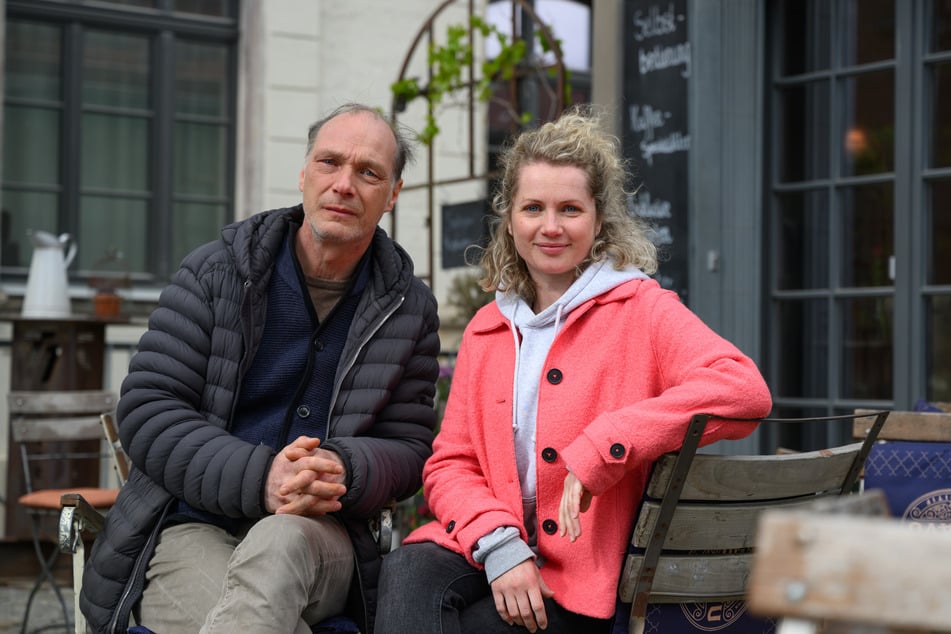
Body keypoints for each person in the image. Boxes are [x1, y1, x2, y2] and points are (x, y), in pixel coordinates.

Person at [374, 107, 772, 634]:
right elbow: (451, 464)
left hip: (584, 575)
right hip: (489, 544)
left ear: (599, 219)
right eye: (533, 208)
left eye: (570, 209)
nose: (551, 227)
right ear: (510, 219)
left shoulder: (641, 309)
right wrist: (500, 545)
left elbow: (742, 388)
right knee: (405, 569)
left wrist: (607, 443)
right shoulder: (487, 328)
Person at [80, 103, 441, 634]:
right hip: (191, 525)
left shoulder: (409, 307)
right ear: (303, 173)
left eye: (368, 173)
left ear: (392, 195)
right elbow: (148, 412)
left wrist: (343, 467)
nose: (344, 184)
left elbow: (410, 449)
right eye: (329, 163)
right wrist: (264, 477)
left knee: (280, 540)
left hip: (320, 536)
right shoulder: (215, 272)